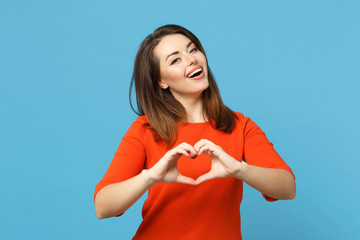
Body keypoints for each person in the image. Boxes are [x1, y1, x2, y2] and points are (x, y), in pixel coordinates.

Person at [94, 24, 296, 240]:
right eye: (175, 59)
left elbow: (286, 187)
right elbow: (103, 207)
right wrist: (151, 176)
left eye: (193, 50)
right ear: (160, 81)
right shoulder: (145, 129)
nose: (191, 59)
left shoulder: (240, 125)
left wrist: (239, 169)